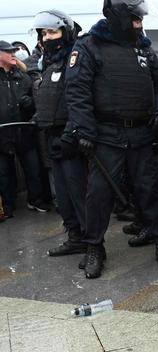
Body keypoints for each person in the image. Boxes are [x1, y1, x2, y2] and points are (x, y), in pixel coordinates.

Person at [65, 0, 158, 278]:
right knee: (99, 194)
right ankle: (94, 247)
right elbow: (77, 92)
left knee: (148, 189)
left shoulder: (142, 47)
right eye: (135, 19)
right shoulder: (89, 46)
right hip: (106, 135)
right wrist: (84, 131)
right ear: (118, 18)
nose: (140, 24)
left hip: (140, 132)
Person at [31, 10, 87, 258]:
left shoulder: (74, 61)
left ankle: (92, 242)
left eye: (52, 32)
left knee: (79, 194)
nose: (46, 38)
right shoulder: (50, 63)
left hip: (71, 139)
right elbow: (49, 98)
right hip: (51, 138)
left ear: (66, 33)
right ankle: (75, 237)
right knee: (63, 197)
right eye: (43, 33)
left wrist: (70, 134)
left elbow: (80, 101)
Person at [0, 41, 50, 218]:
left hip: (24, 132)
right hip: (2, 134)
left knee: (33, 169)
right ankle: (8, 204)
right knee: (4, 173)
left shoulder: (25, 77)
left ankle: (35, 199)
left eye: (14, 51)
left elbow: (37, 104)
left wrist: (30, 107)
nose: (14, 54)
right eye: (8, 52)